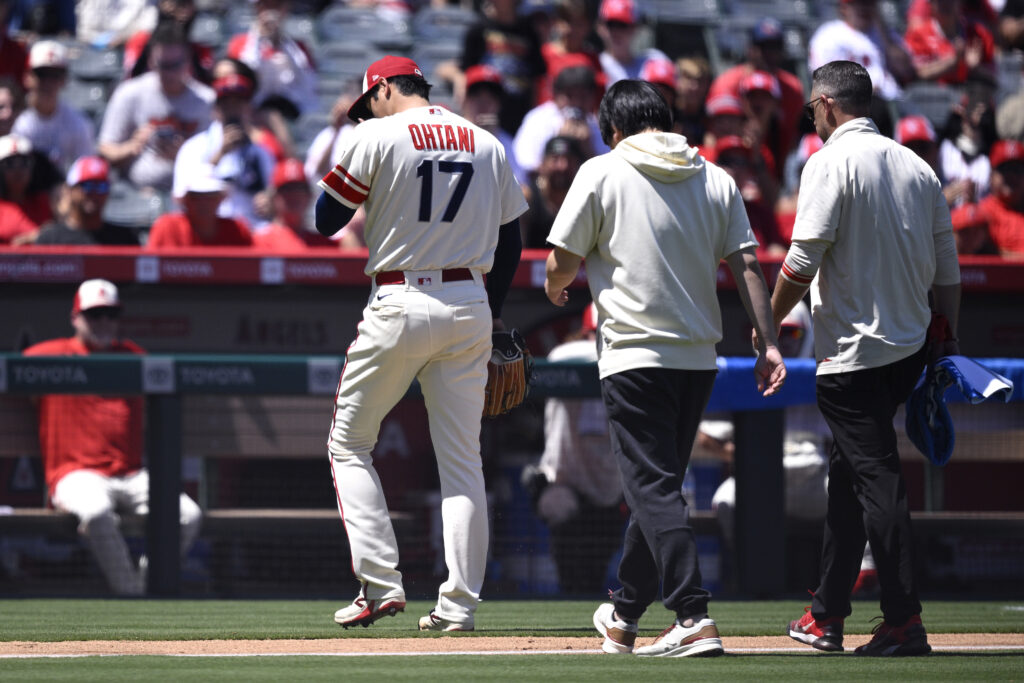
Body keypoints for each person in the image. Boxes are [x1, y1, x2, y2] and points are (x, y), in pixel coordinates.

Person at [544, 79, 785, 657]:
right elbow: (748, 265)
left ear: (614, 130)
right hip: (699, 359)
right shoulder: (717, 176)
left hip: (632, 357)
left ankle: (693, 614)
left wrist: (556, 289)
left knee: (652, 489)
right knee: (660, 487)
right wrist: (768, 341)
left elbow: (562, 260)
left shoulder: (601, 171)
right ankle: (625, 613)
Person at [313, 55, 527, 632]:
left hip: (401, 298)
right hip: (471, 303)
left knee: (349, 443)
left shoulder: (378, 133)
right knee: (463, 464)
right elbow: (512, 243)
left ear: (383, 89)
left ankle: (381, 583)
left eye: (366, 102)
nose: (365, 113)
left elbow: (325, 220)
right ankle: (458, 607)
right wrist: (496, 314)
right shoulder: (484, 141)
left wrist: (351, 141)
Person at [771, 60, 960, 657]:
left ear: (826, 104)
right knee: (848, 481)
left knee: (875, 483)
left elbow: (801, 262)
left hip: (853, 357)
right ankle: (826, 614)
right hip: (907, 350)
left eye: (810, 108)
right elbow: (949, 274)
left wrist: (766, 323)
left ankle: (904, 619)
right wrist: (947, 338)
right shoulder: (917, 165)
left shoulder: (827, 161)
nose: (812, 118)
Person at [22, 279, 202, 596]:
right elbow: (17, 373)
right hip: (76, 473)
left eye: (110, 314)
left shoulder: (133, 357)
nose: (104, 322)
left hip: (129, 474)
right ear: (75, 317)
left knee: (188, 515)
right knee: (96, 512)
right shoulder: (51, 356)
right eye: (95, 314)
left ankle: (149, 586)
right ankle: (132, 595)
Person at [523, 303, 625, 596]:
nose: (603, 341)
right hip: (563, 482)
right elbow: (569, 355)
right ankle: (567, 596)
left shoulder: (626, 365)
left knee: (597, 564)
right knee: (562, 514)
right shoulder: (566, 356)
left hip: (608, 491)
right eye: (597, 334)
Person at [97, 22, 214, 193]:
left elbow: (218, 160)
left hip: (192, 195)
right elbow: (105, 150)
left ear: (188, 60)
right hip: (135, 193)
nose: (170, 73)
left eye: (176, 65)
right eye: (164, 66)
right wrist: (132, 146)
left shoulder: (207, 101)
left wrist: (185, 155)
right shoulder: (130, 93)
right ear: (152, 61)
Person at [171, 71, 275, 231]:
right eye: (227, 105)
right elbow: (180, 196)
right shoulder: (194, 147)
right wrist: (219, 155)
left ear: (248, 109)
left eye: (238, 104)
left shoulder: (261, 154)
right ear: (216, 110)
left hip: (251, 233)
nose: (233, 111)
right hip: (208, 233)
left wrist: (269, 203)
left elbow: (273, 198)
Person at [707, 17, 805, 163]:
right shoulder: (727, 83)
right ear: (750, 48)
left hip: (772, 164)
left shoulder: (792, 88)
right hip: (730, 162)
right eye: (763, 47)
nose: (769, 53)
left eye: (775, 47)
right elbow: (712, 135)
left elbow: (789, 139)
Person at [513, 61, 609, 177]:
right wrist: (559, 144)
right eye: (569, 96)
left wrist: (587, 148)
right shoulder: (538, 119)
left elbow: (606, 172)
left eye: (583, 96)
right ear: (556, 95)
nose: (576, 103)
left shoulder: (595, 124)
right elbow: (525, 164)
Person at [12, 40, 95, 174]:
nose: (48, 83)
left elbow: (85, 172)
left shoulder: (78, 123)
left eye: (55, 75)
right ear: (27, 77)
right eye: (42, 74)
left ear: (64, 80)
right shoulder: (12, 116)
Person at [808, 0, 915, 103]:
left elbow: (906, 70)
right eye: (857, 3)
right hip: (852, 104)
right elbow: (822, 77)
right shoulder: (829, 34)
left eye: (869, 3)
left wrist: (883, 31)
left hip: (893, 100)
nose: (864, 8)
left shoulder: (886, 33)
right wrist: (862, 89)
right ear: (844, 8)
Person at [32, 156, 139, 245]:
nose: (94, 193)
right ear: (70, 190)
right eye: (87, 185)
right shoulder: (50, 239)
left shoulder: (124, 239)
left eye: (102, 186)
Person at [950, 139, 1024, 257]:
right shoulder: (981, 213)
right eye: (1004, 170)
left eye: (1017, 170)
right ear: (991, 175)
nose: (1011, 176)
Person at [147, 172, 252, 248]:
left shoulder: (237, 230)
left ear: (220, 199)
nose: (203, 203)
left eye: (210, 196)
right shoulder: (166, 227)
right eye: (196, 196)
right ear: (185, 200)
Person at [904, 0, 996, 86]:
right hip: (931, 98)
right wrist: (954, 61)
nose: (946, 4)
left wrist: (975, 69)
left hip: (969, 95)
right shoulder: (917, 36)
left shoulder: (979, 35)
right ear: (931, 4)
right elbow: (917, 74)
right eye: (940, 1)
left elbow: (995, 78)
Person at [122, 0, 214, 84]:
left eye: (185, 4)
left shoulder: (199, 46)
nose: (180, 11)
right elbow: (133, 77)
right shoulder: (141, 40)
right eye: (175, 3)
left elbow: (204, 82)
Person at [253, 157, 335, 250]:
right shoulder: (258, 240)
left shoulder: (322, 242)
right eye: (287, 189)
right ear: (274, 196)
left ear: (309, 195)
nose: (294, 195)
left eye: (299, 189)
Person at [519, 135, 584, 248]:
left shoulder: (584, 199)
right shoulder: (527, 198)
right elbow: (516, 249)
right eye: (555, 159)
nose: (562, 166)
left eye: (568, 159)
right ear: (543, 164)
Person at [595, 0, 669, 86]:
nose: (616, 32)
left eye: (622, 25)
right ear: (600, 27)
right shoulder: (594, 65)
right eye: (611, 24)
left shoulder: (654, 60)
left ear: (636, 28)